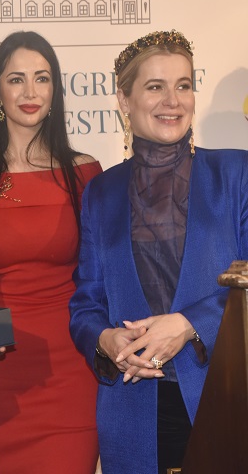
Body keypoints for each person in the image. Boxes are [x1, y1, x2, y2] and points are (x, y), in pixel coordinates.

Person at [69, 30, 248, 474]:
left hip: (226, 398)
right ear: (124, 100)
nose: (173, 100)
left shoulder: (236, 173)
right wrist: (105, 340)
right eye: (155, 86)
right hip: (133, 410)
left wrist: (189, 325)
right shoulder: (101, 192)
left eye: (183, 85)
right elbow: (86, 303)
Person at [0, 31, 101, 473]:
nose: (30, 92)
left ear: (55, 91)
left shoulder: (86, 173)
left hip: (72, 369)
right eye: (17, 79)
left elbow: (101, 276)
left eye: (42, 78)